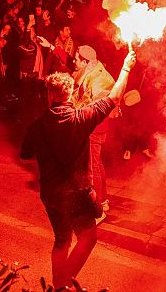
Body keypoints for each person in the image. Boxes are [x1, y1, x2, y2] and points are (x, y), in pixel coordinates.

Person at [20, 48, 136, 289]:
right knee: (88, 238)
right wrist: (126, 68)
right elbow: (114, 98)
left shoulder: (37, 126)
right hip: (76, 193)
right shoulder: (81, 118)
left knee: (62, 240)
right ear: (71, 93)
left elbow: (26, 153)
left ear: (50, 96)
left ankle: (58, 282)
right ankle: (61, 284)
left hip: (50, 194)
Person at [72, 45, 116, 224]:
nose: (74, 63)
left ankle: (98, 210)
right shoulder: (94, 69)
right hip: (96, 127)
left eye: (76, 60)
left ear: (84, 61)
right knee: (97, 164)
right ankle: (103, 202)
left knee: (92, 168)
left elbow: (94, 107)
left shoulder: (98, 79)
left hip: (95, 128)